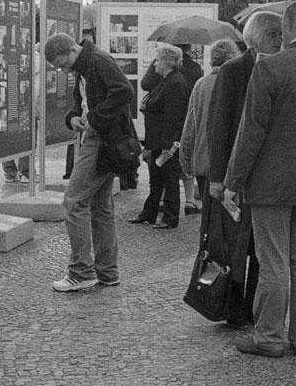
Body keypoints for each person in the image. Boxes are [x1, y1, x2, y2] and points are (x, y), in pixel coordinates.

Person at [217, 2, 296, 358]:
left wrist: (232, 181)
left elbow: (251, 131)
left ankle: (269, 337)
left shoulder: (269, 68)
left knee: (272, 262)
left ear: (286, 27)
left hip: (270, 183)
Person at [204, 11, 282, 325]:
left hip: (264, 175)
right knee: (234, 246)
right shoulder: (234, 71)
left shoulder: (278, 68)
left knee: (259, 248)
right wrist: (217, 177)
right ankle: (232, 308)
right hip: (234, 174)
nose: (280, 39)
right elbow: (218, 126)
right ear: (256, 37)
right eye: (274, 33)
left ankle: (254, 307)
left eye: (281, 33)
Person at [45, 31, 133, 291]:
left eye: (63, 64)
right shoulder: (85, 65)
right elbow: (80, 100)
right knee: (100, 205)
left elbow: (123, 91)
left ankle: (81, 272)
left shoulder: (97, 61)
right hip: (101, 138)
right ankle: (107, 272)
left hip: (99, 139)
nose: (64, 70)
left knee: (73, 202)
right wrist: (73, 116)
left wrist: (94, 118)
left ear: (72, 50)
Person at [129, 44, 190, 229]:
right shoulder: (166, 80)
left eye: (157, 60)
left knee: (169, 179)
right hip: (157, 140)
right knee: (156, 180)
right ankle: (149, 212)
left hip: (166, 142)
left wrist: (168, 146)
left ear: (167, 62)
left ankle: (170, 217)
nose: (154, 64)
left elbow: (174, 117)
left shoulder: (176, 83)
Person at [142, 43, 204, 212]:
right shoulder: (195, 68)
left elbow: (145, 84)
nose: (155, 63)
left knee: (168, 171)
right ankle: (189, 200)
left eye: (158, 60)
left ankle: (166, 206)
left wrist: (166, 143)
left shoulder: (173, 80)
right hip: (185, 121)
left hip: (169, 132)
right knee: (182, 164)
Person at [180, 38, 240, 209]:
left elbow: (190, 124)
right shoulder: (237, 82)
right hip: (229, 160)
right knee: (231, 215)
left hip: (202, 158)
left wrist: (186, 159)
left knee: (209, 216)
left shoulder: (201, 83)